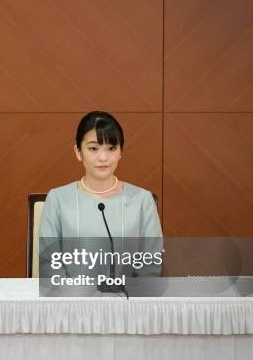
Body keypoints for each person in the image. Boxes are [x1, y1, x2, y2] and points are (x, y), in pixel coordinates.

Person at [38, 111, 162, 277]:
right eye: (93, 148)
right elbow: (49, 264)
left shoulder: (142, 200)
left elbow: (151, 265)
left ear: (120, 152)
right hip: (72, 299)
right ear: (78, 152)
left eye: (111, 148)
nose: (103, 157)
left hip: (128, 299)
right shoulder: (58, 199)